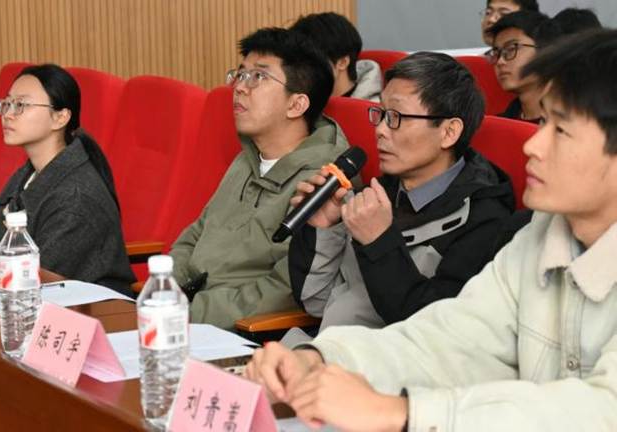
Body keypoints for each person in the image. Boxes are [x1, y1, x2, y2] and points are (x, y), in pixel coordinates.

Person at [246, 29, 617, 432]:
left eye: (560, 130)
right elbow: (446, 338)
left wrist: (401, 413)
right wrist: (319, 360)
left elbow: (602, 408)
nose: (532, 145)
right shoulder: (537, 235)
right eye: (542, 121)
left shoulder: (489, 216)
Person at [283, 52, 515, 345]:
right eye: (380, 114)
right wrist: (324, 229)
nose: (380, 130)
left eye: (396, 118)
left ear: (449, 132)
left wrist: (379, 243)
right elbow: (317, 302)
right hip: (326, 349)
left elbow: (434, 335)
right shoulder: (379, 193)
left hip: (384, 365)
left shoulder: (484, 219)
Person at [169, 28, 349, 330]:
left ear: (296, 105)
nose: (240, 87)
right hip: (186, 315)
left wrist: (188, 312)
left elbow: (283, 290)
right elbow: (196, 233)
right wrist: (165, 292)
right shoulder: (247, 159)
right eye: (240, 75)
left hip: (244, 333)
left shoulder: (321, 184)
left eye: (258, 77)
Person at [0, 64, 135, 295]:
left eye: (21, 105)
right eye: (7, 103)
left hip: (89, 310)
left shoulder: (76, 198)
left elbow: (38, 279)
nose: (8, 114)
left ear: (60, 118)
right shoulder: (29, 174)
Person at [290, 12, 382, 102]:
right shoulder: (300, 103)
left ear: (342, 62)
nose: (300, 72)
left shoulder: (373, 110)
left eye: (310, 62)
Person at [487, 11, 561, 122]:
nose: (500, 61)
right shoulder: (499, 125)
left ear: (545, 52)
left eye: (511, 49)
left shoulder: (574, 124)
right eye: (496, 53)